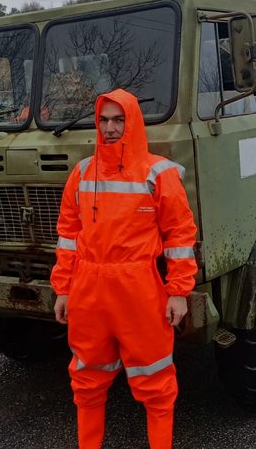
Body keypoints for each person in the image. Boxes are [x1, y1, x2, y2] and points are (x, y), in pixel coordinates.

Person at [51, 89, 198, 449]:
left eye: (119, 120)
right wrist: (64, 288)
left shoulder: (158, 173)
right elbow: (69, 234)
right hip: (88, 289)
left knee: (156, 385)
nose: (110, 128)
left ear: (132, 122)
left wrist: (178, 292)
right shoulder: (83, 173)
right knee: (86, 382)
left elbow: (180, 234)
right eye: (104, 120)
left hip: (139, 289)